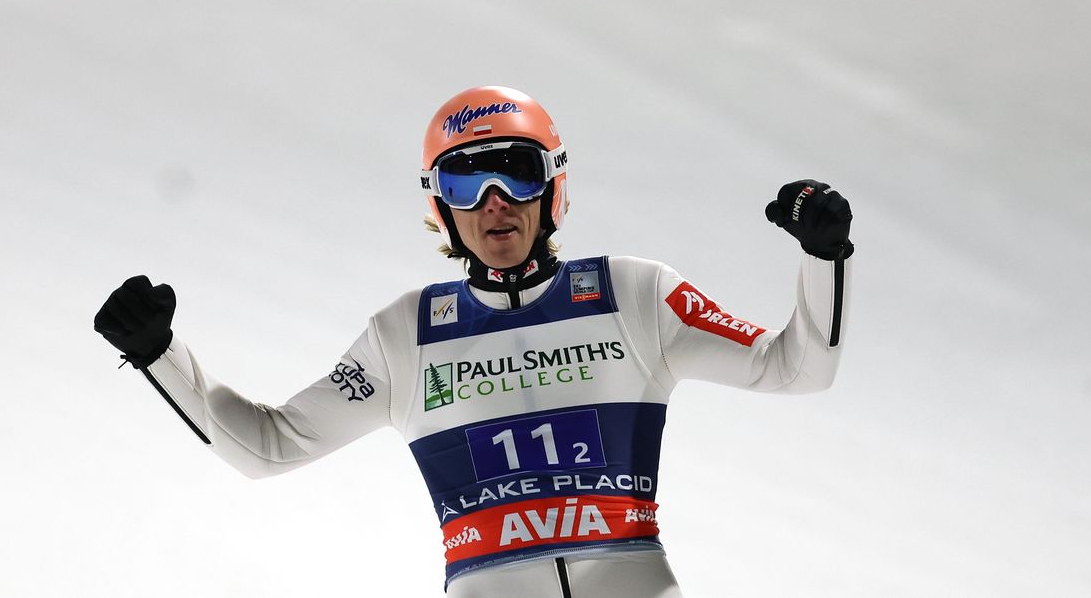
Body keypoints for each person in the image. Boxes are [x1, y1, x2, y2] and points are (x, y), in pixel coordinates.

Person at [94, 86, 854, 597]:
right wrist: (161, 356)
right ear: (439, 206)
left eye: (516, 173)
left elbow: (796, 369)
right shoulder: (405, 335)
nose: (494, 204)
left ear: (553, 186)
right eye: (465, 183)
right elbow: (266, 447)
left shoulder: (635, 295)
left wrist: (823, 260)